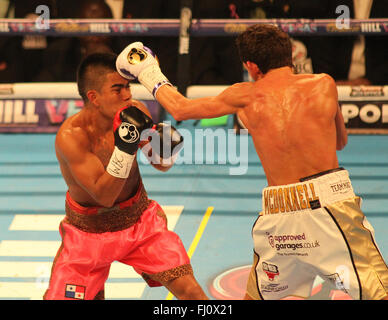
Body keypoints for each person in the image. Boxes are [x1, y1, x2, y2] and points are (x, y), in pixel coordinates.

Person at [116, 24, 388, 300]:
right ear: (290, 55)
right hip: (329, 207)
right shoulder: (324, 84)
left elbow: (181, 108)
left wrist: (148, 71)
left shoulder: (244, 96)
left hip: (278, 216)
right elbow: (340, 142)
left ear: (251, 66)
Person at [43, 52, 208, 300]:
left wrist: (167, 146)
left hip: (140, 223)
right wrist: (126, 147)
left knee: (192, 294)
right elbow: (104, 195)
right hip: (88, 235)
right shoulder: (72, 137)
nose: (127, 95)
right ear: (94, 97)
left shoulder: (133, 111)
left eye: (128, 86)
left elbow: (161, 165)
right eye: (117, 89)